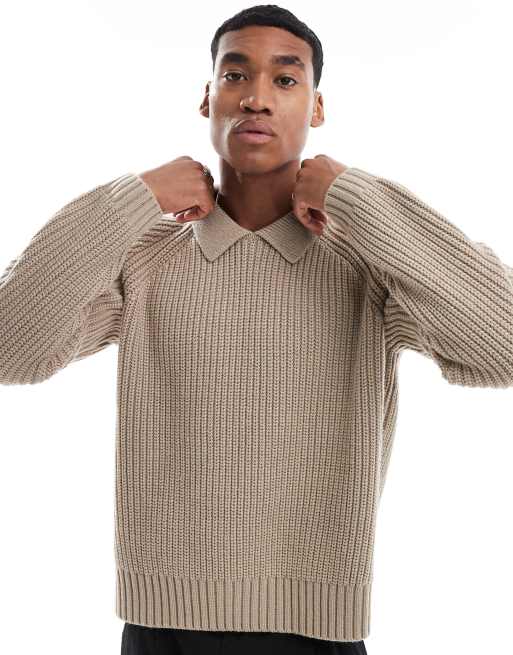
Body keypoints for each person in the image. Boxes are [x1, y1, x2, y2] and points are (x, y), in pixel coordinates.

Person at [2, 4, 513, 655]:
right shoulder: (146, 262)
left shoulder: (367, 267)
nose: (256, 97)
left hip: (317, 629)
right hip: (164, 627)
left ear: (316, 108)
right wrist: (134, 198)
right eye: (235, 74)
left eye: (285, 79)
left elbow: (502, 347)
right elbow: (10, 349)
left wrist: (355, 196)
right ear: (207, 99)